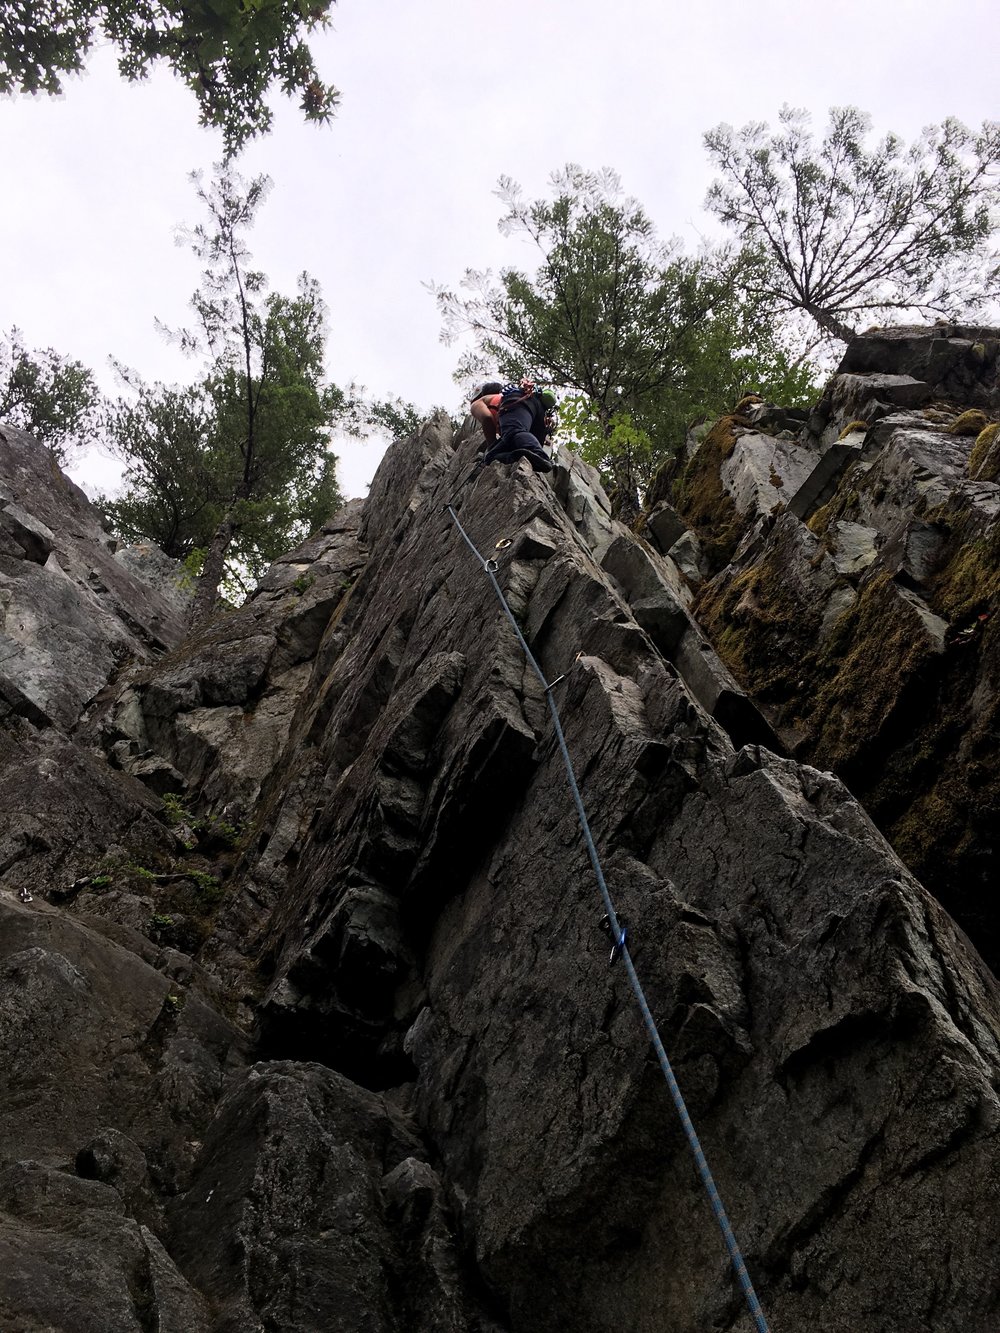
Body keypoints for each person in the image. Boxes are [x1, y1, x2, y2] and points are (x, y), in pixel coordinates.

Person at [469, 378, 554, 473]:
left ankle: (537, 457)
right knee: (514, 440)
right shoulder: (507, 401)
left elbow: (487, 418)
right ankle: (536, 457)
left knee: (491, 456)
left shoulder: (479, 402)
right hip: (538, 411)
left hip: (517, 401)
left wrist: (492, 446)